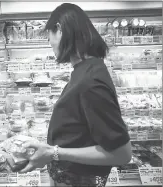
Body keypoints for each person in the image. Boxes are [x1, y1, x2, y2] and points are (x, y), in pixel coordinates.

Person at [19, 3, 132, 187]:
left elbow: (122, 153)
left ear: (61, 30)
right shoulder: (86, 69)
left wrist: (54, 153)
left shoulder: (90, 82)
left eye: (50, 38)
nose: (50, 45)